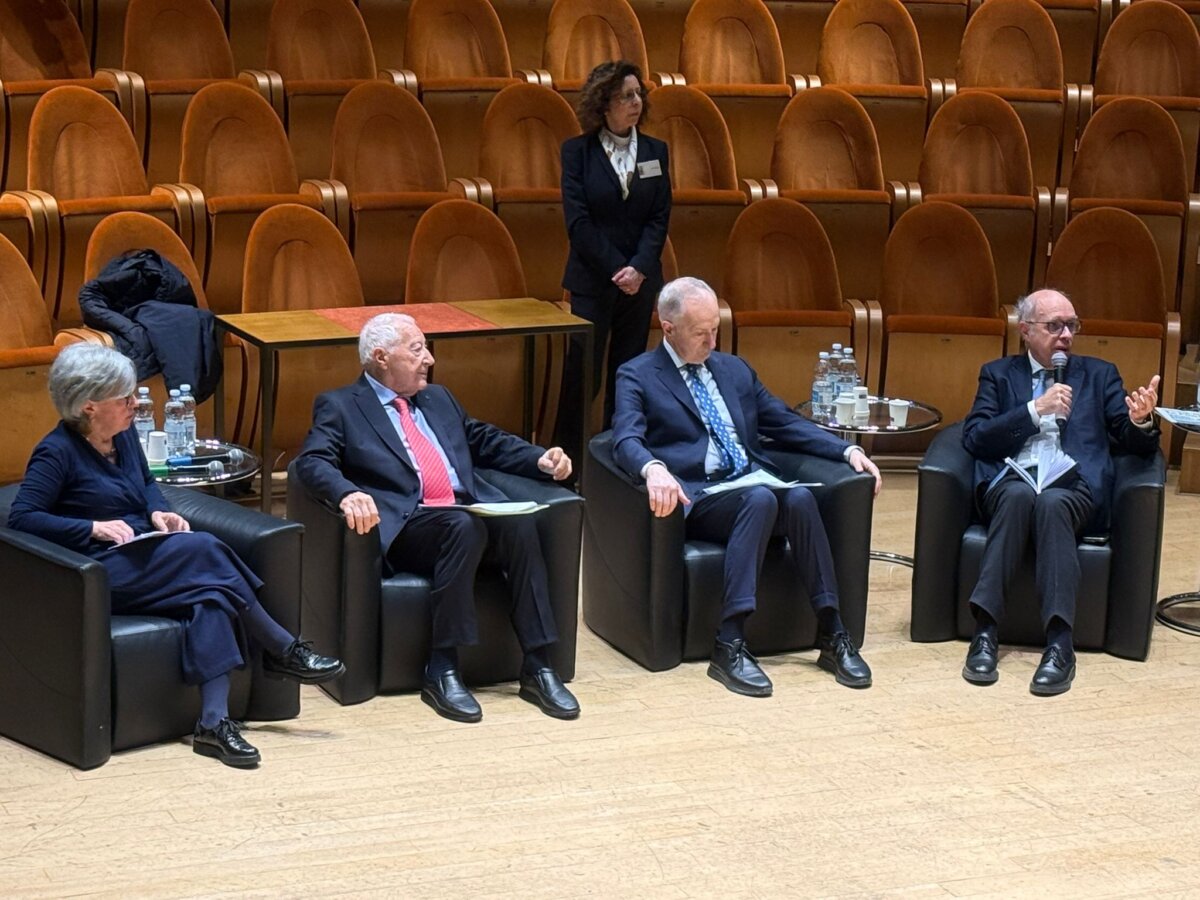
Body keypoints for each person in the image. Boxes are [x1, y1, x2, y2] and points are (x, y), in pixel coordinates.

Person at [7, 343, 344, 769]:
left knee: (212, 596)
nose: (134, 404)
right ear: (89, 406)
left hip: (144, 556)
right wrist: (91, 527)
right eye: (124, 398)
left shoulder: (123, 436)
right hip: (98, 572)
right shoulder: (56, 452)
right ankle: (281, 647)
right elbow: (22, 518)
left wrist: (157, 511)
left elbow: (146, 483)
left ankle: (213, 724)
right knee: (202, 548)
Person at [294, 313, 580, 723]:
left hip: (466, 512)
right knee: (460, 527)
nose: (428, 358)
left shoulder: (438, 398)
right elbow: (313, 461)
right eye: (417, 350)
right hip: (411, 525)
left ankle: (538, 666)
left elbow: (483, 440)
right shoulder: (341, 405)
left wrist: (539, 459)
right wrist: (347, 492)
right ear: (381, 357)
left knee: (519, 522)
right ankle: (442, 668)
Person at [611, 277, 882, 697]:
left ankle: (832, 633)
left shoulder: (734, 370)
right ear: (668, 328)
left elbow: (784, 421)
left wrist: (846, 451)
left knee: (799, 497)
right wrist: (653, 469)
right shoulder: (638, 375)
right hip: (701, 495)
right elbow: (625, 438)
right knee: (759, 499)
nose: (711, 342)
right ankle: (729, 642)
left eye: (714, 329)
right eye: (700, 333)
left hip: (752, 482)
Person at [960, 289, 1161, 695]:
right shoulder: (997, 374)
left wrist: (1141, 421)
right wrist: (1034, 411)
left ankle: (1059, 644)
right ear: (1026, 331)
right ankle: (985, 632)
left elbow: (1129, 438)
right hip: (1013, 478)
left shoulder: (1100, 374)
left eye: (1072, 325)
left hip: (1074, 484)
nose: (1066, 335)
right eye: (1054, 326)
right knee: (1018, 497)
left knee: (1051, 503)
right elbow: (976, 437)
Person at [555, 59, 672, 462]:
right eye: (626, 96)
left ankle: (619, 460)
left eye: (639, 94)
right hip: (593, 279)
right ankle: (566, 463)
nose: (636, 102)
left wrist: (638, 268)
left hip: (640, 283)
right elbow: (578, 223)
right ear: (604, 104)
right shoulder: (577, 152)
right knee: (582, 374)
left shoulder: (656, 151)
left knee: (628, 374)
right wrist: (617, 269)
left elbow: (659, 218)